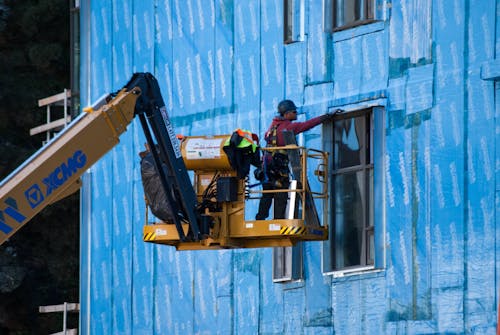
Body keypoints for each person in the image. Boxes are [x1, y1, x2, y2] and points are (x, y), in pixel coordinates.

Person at [255, 99, 337, 220]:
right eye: (294, 111)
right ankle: (278, 221)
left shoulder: (272, 126)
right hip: (278, 168)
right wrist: (325, 117)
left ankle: (260, 219)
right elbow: (307, 125)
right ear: (287, 113)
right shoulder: (288, 127)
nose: (296, 113)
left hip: (267, 168)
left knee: (267, 194)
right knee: (280, 195)